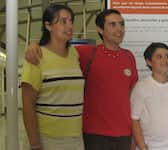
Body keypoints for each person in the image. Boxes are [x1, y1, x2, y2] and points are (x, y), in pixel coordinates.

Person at [25, 9, 138, 150]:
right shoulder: (86, 53)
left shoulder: (129, 57)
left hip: (122, 134)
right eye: (112, 24)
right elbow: (55, 49)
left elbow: (133, 97)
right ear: (99, 29)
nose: (119, 29)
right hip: (93, 134)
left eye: (121, 24)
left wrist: (135, 133)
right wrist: (33, 45)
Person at [21, 4, 84, 150]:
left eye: (70, 21)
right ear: (48, 26)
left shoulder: (74, 54)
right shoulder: (36, 57)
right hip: (48, 138)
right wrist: (35, 144)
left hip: (76, 137)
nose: (69, 26)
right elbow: (28, 105)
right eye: (63, 21)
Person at [131, 42, 168, 150]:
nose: (165, 60)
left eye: (167, 56)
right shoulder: (141, 87)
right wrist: (142, 146)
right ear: (149, 62)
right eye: (159, 57)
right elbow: (134, 120)